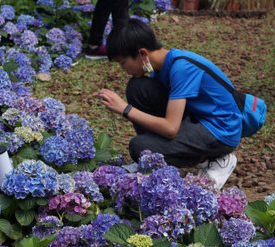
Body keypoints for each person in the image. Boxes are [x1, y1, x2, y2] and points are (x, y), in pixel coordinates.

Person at [98, 18, 241, 189]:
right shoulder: (162, 65)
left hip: (221, 130)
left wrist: (125, 109)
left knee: (139, 146)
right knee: (137, 88)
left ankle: (215, 158)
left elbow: (170, 129)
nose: (124, 69)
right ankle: (155, 159)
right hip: (198, 119)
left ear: (143, 53)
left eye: (123, 63)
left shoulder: (181, 68)